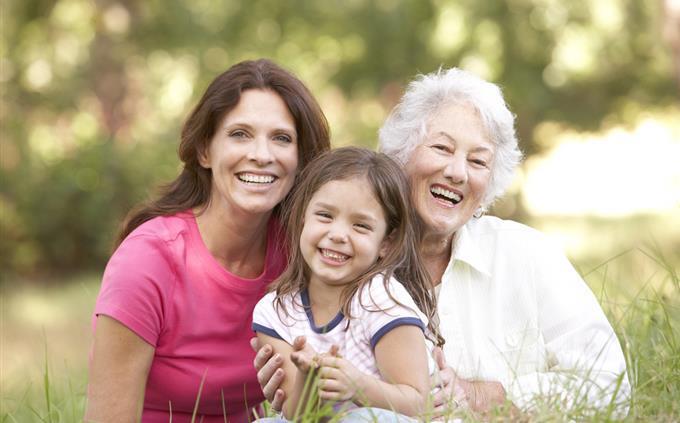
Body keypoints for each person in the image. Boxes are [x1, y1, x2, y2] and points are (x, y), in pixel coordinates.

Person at [253, 67, 631, 419]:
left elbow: (611, 383)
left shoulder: (526, 254)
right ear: (401, 154)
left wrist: (488, 395)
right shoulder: (344, 263)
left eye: (478, 162)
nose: (456, 172)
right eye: (442, 148)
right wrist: (301, 385)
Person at [86, 59, 330, 423]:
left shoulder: (305, 254)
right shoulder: (148, 260)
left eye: (281, 138)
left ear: (301, 159)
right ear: (204, 151)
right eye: (239, 134)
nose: (262, 155)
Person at [252, 147, 445, 421]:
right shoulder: (275, 310)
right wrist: (309, 376)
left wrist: (358, 386)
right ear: (302, 217)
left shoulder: (381, 299)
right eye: (325, 216)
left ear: (386, 244)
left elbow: (418, 403)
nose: (338, 234)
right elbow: (298, 416)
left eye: (361, 226)